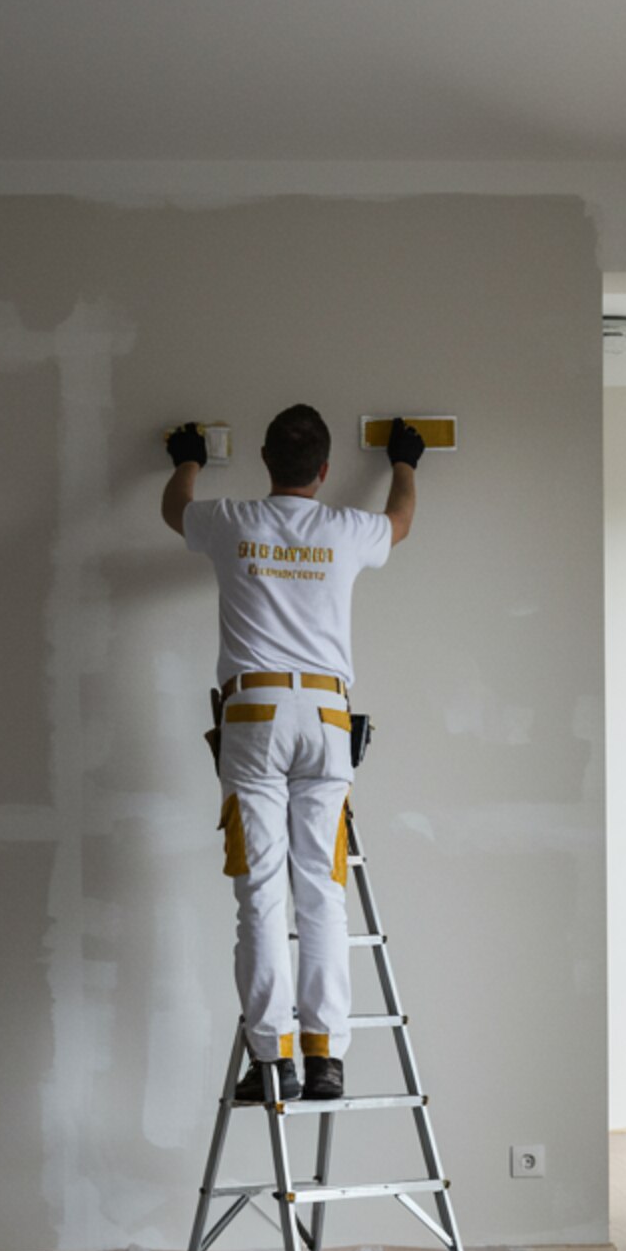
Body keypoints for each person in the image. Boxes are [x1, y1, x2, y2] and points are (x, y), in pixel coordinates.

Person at [163, 407, 424, 1105]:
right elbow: (399, 522)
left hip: (256, 716)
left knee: (261, 890)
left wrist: (185, 457)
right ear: (327, 471)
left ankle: (273, 1057)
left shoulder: (233, 520)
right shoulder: (346, 530)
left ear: (264, 459)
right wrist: (405, 460)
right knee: (323, 892)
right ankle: (325, 1057)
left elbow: (175, 511)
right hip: (328, 720)